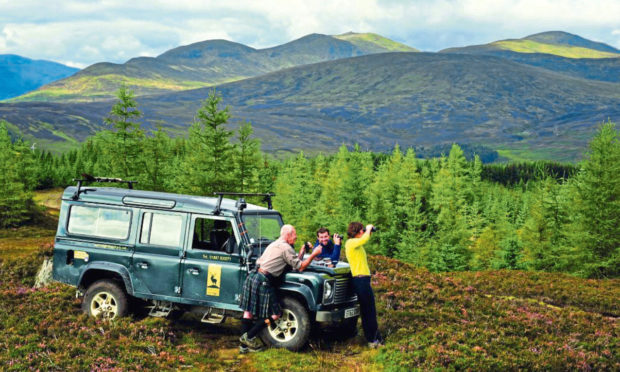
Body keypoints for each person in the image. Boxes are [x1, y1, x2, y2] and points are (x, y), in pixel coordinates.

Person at [238, 224, 322, 353]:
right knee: (275, 314)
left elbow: (292, 263)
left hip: (254, 276)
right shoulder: (286, 248)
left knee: (248, 311)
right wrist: (313, 254)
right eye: (294, 234)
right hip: (265, 281)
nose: (296, 236)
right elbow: (300, 267)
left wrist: (302, 252)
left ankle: (243, 347)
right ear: (288, 235)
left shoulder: (274, 244)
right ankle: (249, 337)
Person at [345, 221, 383, 348]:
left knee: (370, 309)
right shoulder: (350, 243)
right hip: (360, 280)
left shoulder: (356, 244)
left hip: (363, 280)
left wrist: (369, 231)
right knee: (368, 310)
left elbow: (365, 237)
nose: (363, 232)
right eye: (361, 230)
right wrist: (368, 229)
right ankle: (372, 340)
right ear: (356, 232)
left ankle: (375, 337)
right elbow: (365, 239)